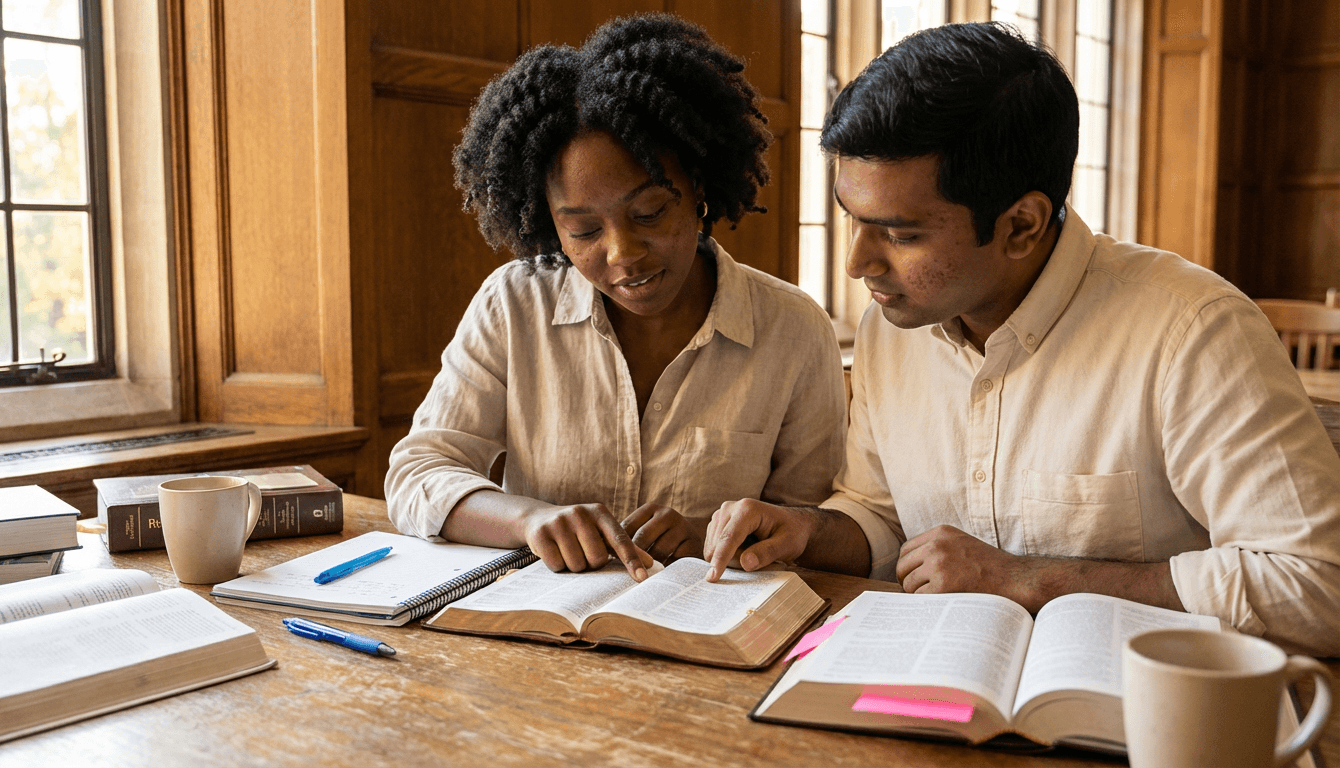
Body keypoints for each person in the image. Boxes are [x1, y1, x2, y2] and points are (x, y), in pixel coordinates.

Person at [703, 22, 1340, 656]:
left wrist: (1031, 580)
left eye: (899, 234)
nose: (856, 263)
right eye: (852, 219)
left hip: (1136, 704)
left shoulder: (1193, 331)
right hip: (938, 683)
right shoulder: (891, 329)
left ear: (1021, 226)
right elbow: (883, 518)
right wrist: (807, 531)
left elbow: (1320, 586)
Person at [386, 14, 847, 583]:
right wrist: (528, 519)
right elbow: (417, 473)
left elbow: (814, 522)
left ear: (698, 189)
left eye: (649, 213)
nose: (623, 253)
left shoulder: (792, 329)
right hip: (543, 622)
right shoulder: (513, 306)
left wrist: (714, 535)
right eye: (583, 231)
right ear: (549, 225)